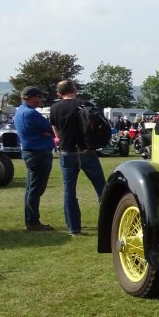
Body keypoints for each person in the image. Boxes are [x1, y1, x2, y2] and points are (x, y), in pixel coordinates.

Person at [49, 80, 108, 236]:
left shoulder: (54, 108)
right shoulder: (84, 104)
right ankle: (109, 223)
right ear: (75, 90)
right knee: (102, 188)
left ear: (58, 93)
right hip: (86, 151)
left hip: (67, 152)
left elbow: (56, 131)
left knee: (69, 191)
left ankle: (74, 228)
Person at [13, 86, 55, 231]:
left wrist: (46, 133)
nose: (40, 100)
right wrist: (46, 133)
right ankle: (33, 221)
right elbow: (49, 128)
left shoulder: (19, 112)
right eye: (39, 97)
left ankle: (30, 220)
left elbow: (47, 131)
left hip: (31, 153)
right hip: (39, 154)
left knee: (31, 188)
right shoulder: (31, 114)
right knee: (36, 190)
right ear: (31, 97)